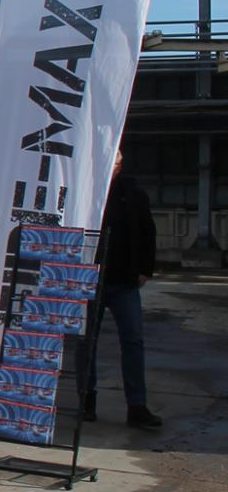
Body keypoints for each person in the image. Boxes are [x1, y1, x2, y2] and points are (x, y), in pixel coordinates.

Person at [85, 151, 161, 429]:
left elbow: (147, 231)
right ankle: (86, 400)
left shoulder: (132, 193)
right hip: (90, 278)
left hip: (124, 281)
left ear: (120, 164)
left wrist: (144, 269)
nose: (112, 167)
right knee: (86, 342)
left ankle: (137, 405)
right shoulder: (86, 189)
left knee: (133, 341)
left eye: (115, 162)